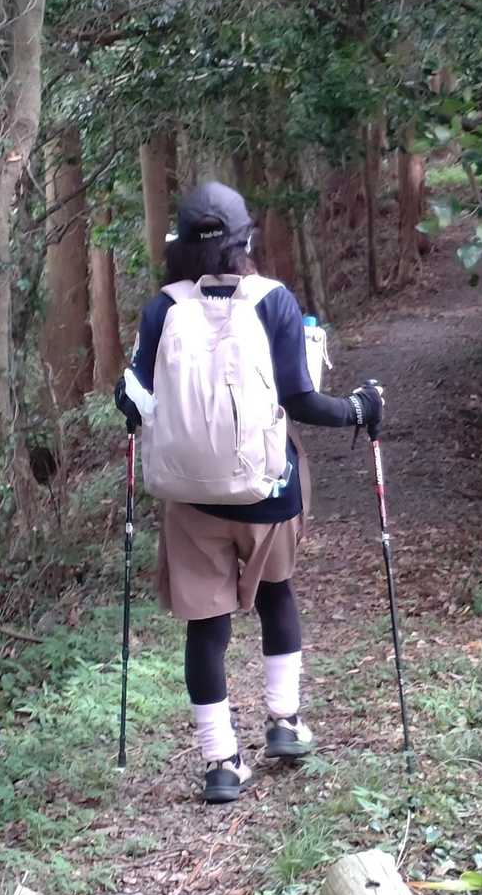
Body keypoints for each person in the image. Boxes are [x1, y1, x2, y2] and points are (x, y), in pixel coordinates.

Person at [115, 181, 383, 805]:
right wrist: (360, 408)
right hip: (269, 493)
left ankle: (220, 763)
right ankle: (284, 723)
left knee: (206, 629)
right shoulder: (273, 301)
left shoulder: (161, 309)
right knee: (276, 595)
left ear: (179, 244)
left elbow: (131, 399)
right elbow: (301, 401)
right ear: (245, 240)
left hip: (191, 500)